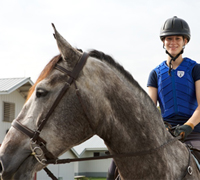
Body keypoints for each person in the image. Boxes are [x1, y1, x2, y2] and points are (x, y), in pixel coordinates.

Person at [147, 16, 200, 159]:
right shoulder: (155, 74)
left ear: (185, 41)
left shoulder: (195, 69)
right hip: (165, 132)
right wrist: (160, 127)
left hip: (194, 131)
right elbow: (151, 109)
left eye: (178, 39)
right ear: (163, 42)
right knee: (117, 165)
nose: (173, 43)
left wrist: (188, 126)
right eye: (169, 39)